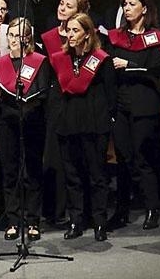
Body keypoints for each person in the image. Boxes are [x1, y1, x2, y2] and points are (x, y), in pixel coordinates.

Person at [106, 0, 160, 231]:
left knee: (144, 158)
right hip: (121, 104)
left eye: (132, 3)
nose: (127, 8)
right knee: (123, 158)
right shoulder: (115, 38)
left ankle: (152, 208)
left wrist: (130, 65)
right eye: (124, 4)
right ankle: (121, 210)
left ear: (144, 8)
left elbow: (157, 72)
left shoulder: (157, 39)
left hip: (145, 104)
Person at [51, 13, 115, 242]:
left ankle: (99, 222)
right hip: (68, 125)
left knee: (96, 176)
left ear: (87, 34)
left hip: (94, 125)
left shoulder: (101, 60)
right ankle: (76, 220)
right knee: (73, 176)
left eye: (75, 30)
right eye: (68, 30)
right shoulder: (61, 58)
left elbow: (110, 96)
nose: (70, 35)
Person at [0, 17, 51, 241]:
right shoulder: (0, 63)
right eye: (12, 35)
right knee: (10, 172)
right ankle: (13, 221)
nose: (16, 39)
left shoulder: (39, 61)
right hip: (8, 122)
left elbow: (44, 91)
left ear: (28, 38)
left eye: (20, 35)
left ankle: (33, 220)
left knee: (32, 171)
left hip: (33, 121)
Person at [41, 0, 90, 227]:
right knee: (54, 156)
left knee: (76, 156)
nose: (62, 8)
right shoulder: (49, 37)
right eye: (61, 3)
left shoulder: (83, 38)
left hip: (79, 99)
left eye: (68, 6)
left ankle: (80, 211)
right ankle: (55, 210)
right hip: (55, 99)